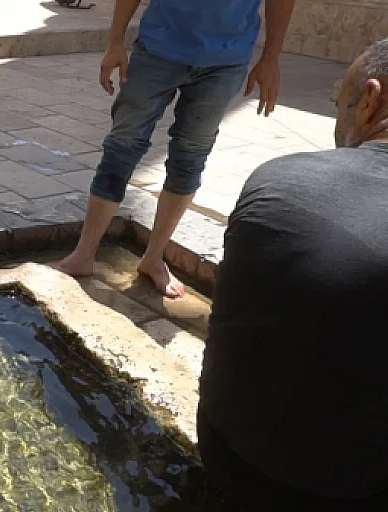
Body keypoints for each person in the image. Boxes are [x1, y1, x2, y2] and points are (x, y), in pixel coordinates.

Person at [197, 38, 388, 512]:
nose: (340, 120)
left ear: (370, 102)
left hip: (219, 450)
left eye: (340, 105)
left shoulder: (277, 177)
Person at [57, 0, 295, 298]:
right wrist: (115, 41)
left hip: (225, 61)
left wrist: (270, 58)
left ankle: (154, 257)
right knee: (123, 146)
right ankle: (84, 253)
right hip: (159, 49)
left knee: (191, 156)